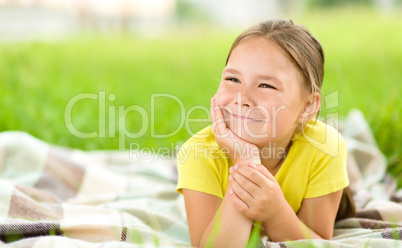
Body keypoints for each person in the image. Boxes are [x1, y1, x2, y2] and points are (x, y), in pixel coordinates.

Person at [176, 19, 355, 248]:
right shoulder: (197, 153)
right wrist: (245, 160)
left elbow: (316, 243)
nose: (243, 98)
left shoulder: (325, 148)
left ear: (307, 107)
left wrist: (275, 211)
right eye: (233, 79)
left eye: (266, 85)